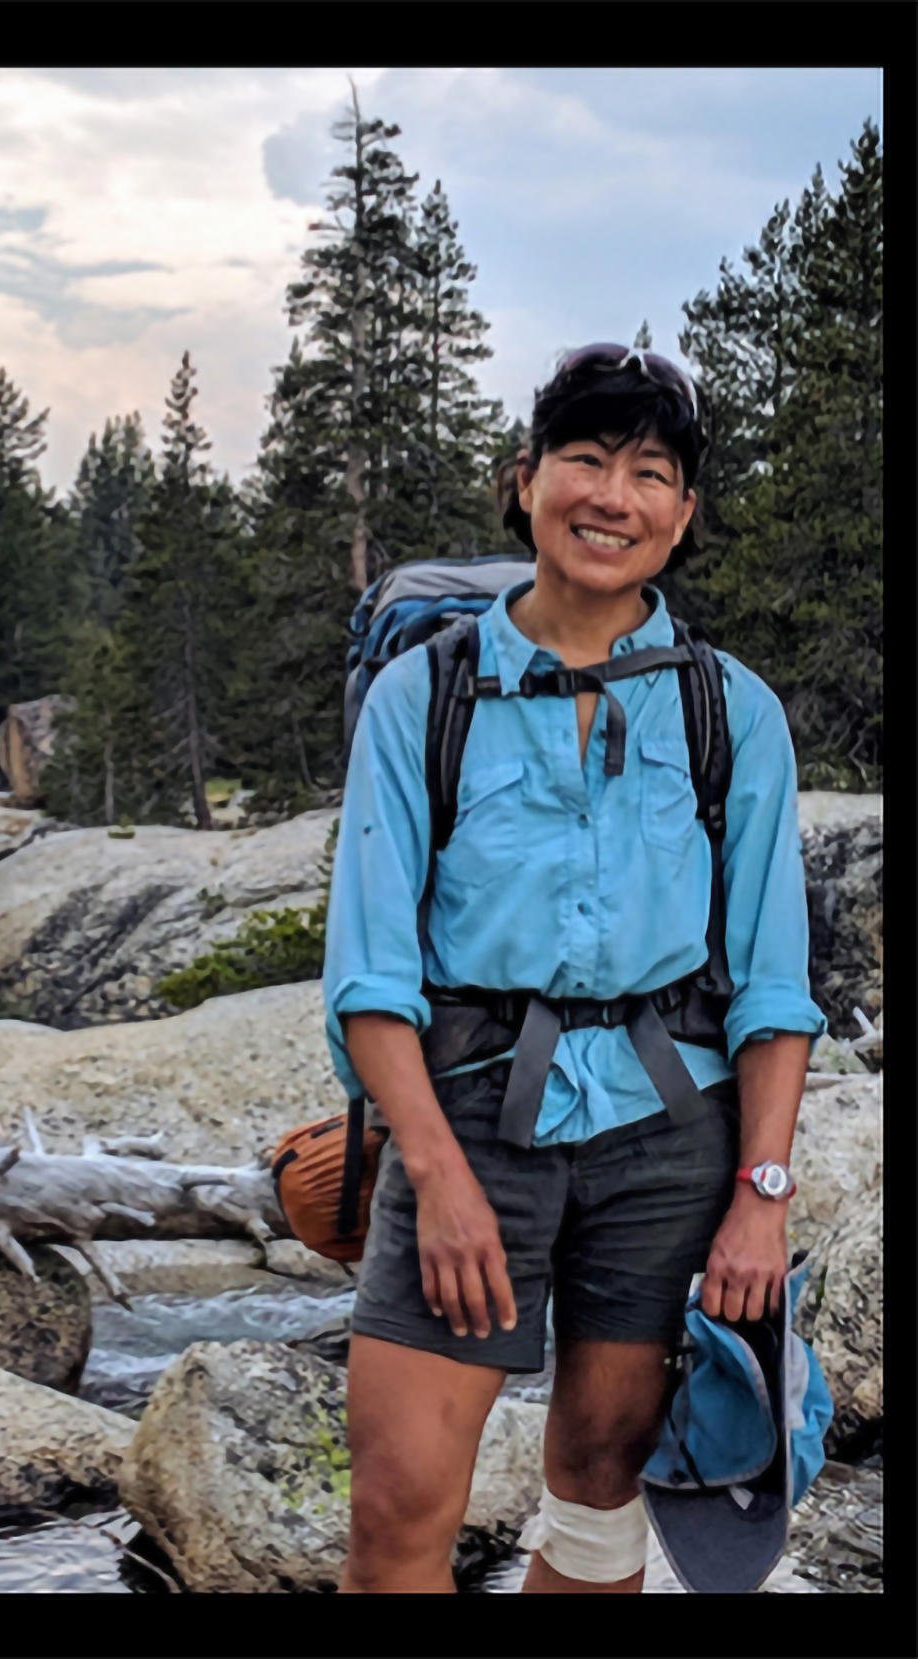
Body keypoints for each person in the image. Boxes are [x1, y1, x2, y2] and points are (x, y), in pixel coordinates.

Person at [322, 344, 825, 1594]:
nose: (613, 496)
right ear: (525, 481)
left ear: (683, 514)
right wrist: (432, 1173)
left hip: (669, 1136)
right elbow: (368, 978)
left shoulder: (730, 712)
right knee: (393, 1514)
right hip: (469, 1125)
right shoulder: (419, 697)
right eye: (584, 461)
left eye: (649, 472)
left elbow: (770, 986)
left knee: (602, 1498)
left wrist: (759, 1193)